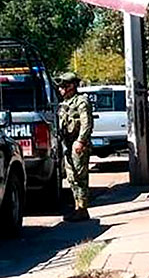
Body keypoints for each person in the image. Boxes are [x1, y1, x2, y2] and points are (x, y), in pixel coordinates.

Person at [56, 72, 93, 222]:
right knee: (71, 177)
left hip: (77, 144)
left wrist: (81, 141)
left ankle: (82, 208)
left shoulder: (81, 102)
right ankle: (78, 207)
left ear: (71, 86)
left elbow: (86, 123)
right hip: (68, 144)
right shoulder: (65, 103)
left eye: (63, 86)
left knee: (80, 176)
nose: (60, 89)